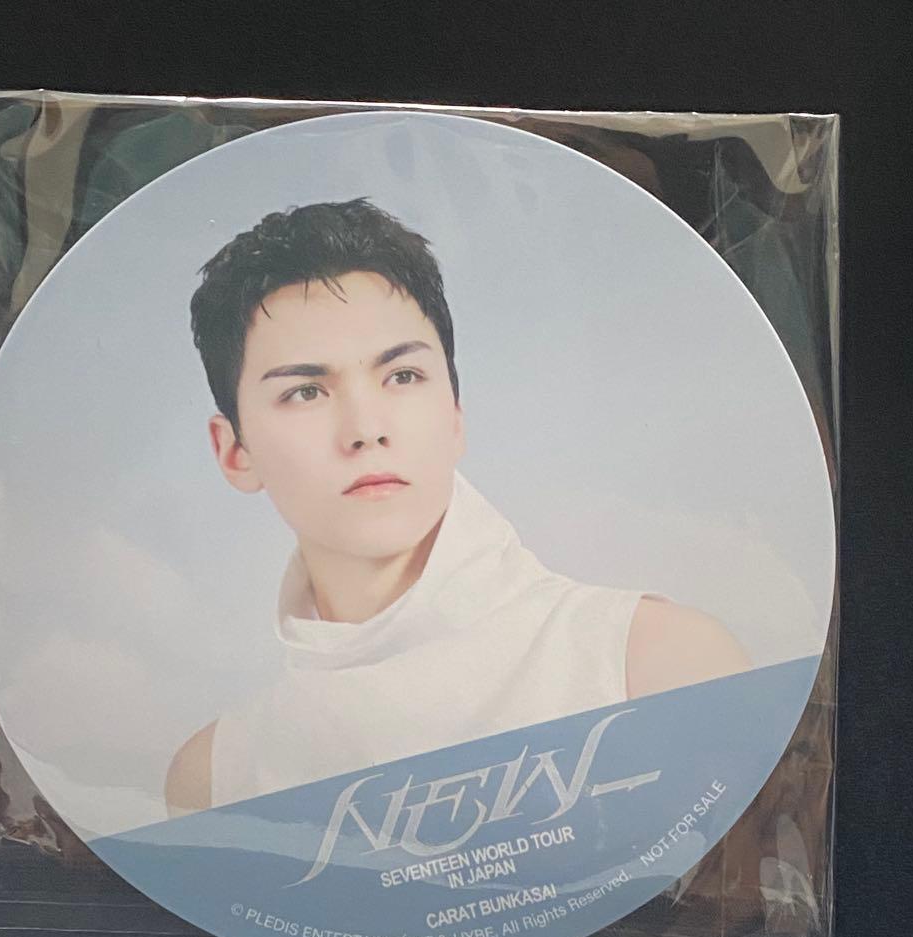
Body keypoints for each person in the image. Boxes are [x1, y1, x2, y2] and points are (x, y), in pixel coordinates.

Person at [166, 198, 749, 815]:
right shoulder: (213, 781)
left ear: (455, 415)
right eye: (306, 391)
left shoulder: (664, 663)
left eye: (403, 376)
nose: (366, 429)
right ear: (234, 452)